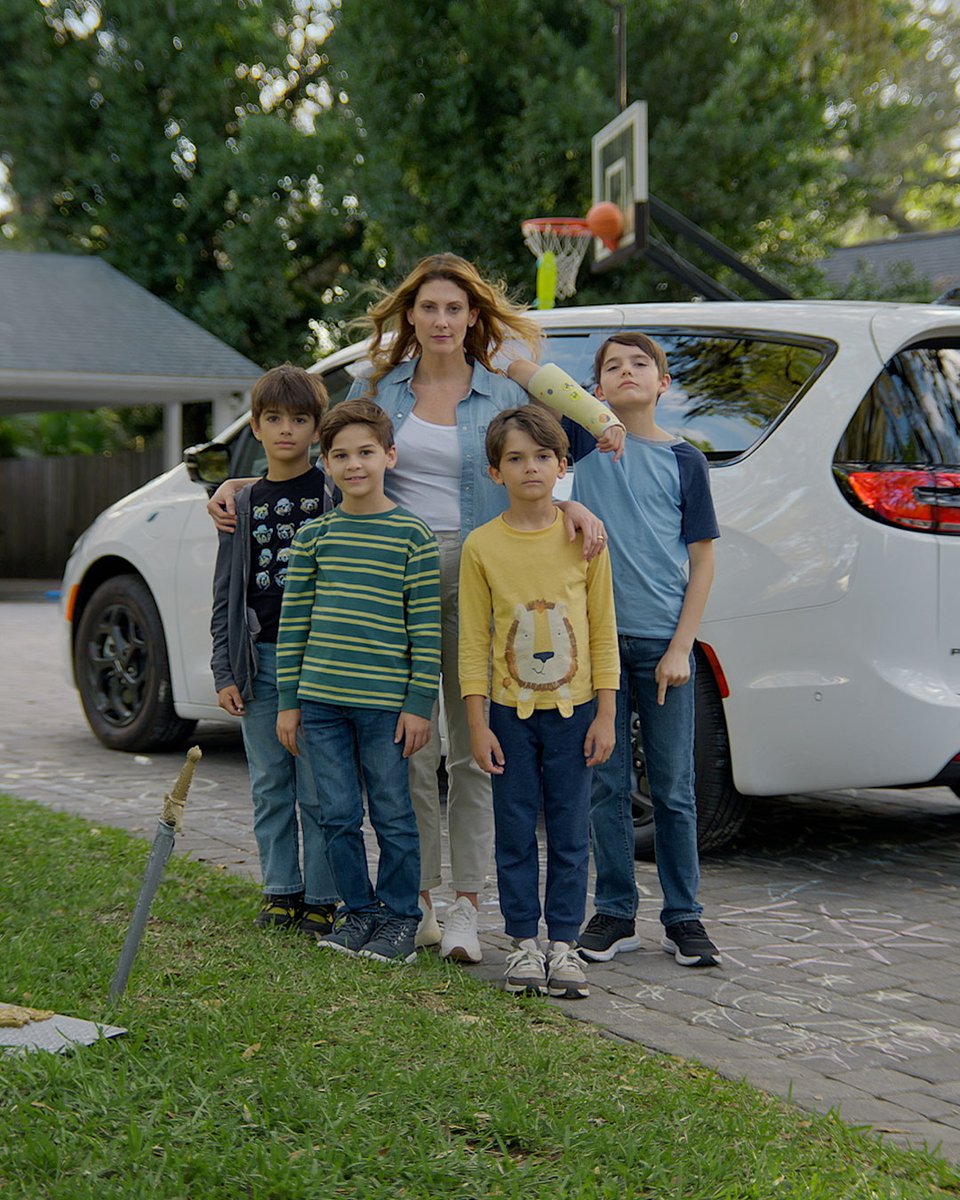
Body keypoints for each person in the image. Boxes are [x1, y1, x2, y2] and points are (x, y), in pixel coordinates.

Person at [209, 252, 622, 964]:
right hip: (389, 575)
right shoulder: (378, 387)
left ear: (472, 317)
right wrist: (241, 486)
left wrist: (566, 497)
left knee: (470, 748)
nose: (441, 320)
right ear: (409, 315)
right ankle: (420, 899)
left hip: (481, 571)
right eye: (428, 308)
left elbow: (561, 449)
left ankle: (466, 904)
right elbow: (321, 460)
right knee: (410, 746)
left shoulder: (504, 389)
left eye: (455, 309)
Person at [509, 334, 721, 968]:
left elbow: (703, 560)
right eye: (611, 367)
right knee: (604, 783)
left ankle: (684, 917)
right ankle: (616, 911)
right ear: (595, 387)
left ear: (663, 384)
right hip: (593, 643)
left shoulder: (687, 462)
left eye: (640, 365)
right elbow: (526, 380)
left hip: (663, 644)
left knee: (675, 789)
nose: (626, 372)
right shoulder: (580, 446)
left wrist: (681, 646)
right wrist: (584, 440)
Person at [458, 407, 620, 999]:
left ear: (561, 465)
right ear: (495, 471)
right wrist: (477, 723)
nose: (531, 468)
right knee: (515, 830)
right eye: (516, 458)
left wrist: (605, 713)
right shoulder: (482, 547)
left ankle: (565, 944)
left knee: (574, 834)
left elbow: (603, 629)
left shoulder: (586, 538)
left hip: (576, 715)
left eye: (542, 457)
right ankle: (524, 943)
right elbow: (473, 641)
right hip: (508, 717)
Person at [275, 398, 441, 965]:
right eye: (340, 455)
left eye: (366, 452)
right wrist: (289, 703)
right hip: (320, 705)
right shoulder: (314, 538)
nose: (354, 464)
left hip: (384, 709)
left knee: (393, 813)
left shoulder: (413, 538)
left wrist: (419, 704)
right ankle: (359, 912)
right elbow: (293, 625)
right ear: (325, 463)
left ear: (389, 456)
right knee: (336, 815)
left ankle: (400, 919)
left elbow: (425, 631)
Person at [210, 364, 339, 934]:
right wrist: (223, 670)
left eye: (300, 419)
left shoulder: (334, 493)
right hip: (259, 663)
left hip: (321, 664)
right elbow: (224, 593)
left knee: (319, 786)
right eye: (273, 419)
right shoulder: (241, 503)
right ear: (257, 428)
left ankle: (324, 895)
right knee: (269, 783)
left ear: (317, 428)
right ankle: (280, 889)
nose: (286, 430)